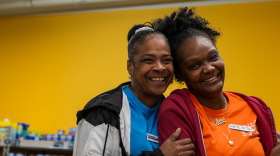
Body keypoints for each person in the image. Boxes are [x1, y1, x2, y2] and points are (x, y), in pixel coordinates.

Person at [153, 7, 280, 156]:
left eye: (213, 57)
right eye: (195, 65)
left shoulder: (253, 107)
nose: (209, 68)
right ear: (180, 74)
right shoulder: (176, 110)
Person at [73, 24, 195, 156]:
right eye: (148, 60)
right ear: (130, 67)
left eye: (166, 60)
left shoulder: (174, 111)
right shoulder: (102, 113)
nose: (160, 68)